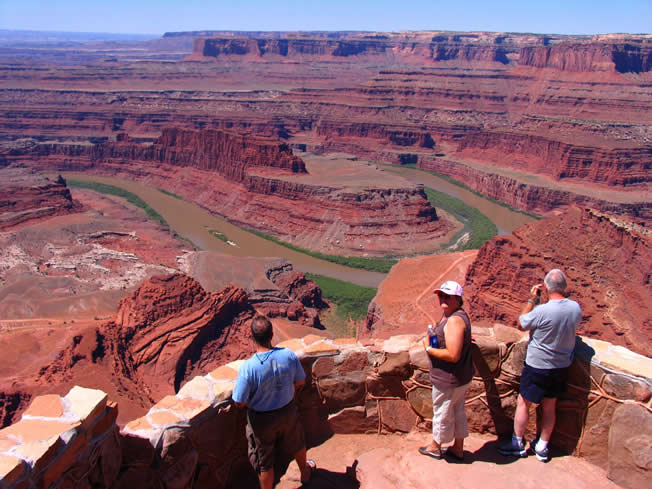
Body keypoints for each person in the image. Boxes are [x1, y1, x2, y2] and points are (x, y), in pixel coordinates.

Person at [499, 269, 581, 462]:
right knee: (550, 406)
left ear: (545, 288)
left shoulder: (542, 311)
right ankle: (542, 447)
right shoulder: (575, 308)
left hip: (537, 365)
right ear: (564, 287)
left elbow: (521, 324)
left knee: (523, 403)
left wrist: (532, 300)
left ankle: (517, 444)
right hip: (561, 366)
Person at [232, 315, 316, 488]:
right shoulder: (288, 355)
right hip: (288, 410)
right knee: (297, 442)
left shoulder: (248, 367)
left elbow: (238, 402)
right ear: (272, 335)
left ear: (252, 337)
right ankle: (305, 473)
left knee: (265, 461)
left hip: (262, 419)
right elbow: (300, 381)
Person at [418, 280, 474, 461]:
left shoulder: (455, 321)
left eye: (448, 296)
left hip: (449, 379)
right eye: (441, 295)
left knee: (442, 412)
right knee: (457, 411)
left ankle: (435, 447)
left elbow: (453, 355)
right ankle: (458, 448)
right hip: (460, 377)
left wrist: (429, 348)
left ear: (458, 299)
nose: (443, 298)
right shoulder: (454, 315)